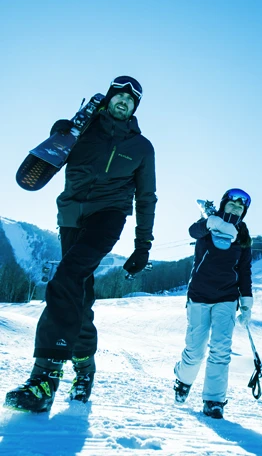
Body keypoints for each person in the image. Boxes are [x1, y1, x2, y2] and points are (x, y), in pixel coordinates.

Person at [4, 76, 157, 412]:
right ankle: (85, 368)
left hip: (109, 216)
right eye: (120, 96)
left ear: (134, 109)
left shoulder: (142, 147)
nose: (124, 102)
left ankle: (45, 379)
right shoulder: (83, 129)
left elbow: (146, 197)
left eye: (131, 101)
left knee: (64, 280)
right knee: (79, 294)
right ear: (110, 98)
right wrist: (61, 132)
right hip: (72, 216)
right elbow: (49, 159)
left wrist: (142, 244)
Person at [173, 188, 253, 419]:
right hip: (199, 295)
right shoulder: (208, 225)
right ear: (223, 204)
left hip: (227, 299)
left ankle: (214, 400)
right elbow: (192, 231)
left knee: (220, 350)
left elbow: (245, 271)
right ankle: (183, 380)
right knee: (195, 351)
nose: (237, 206)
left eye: (242, 205)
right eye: (233, 202)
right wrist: (209, 222)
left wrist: (246, 304)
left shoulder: (243, 235)